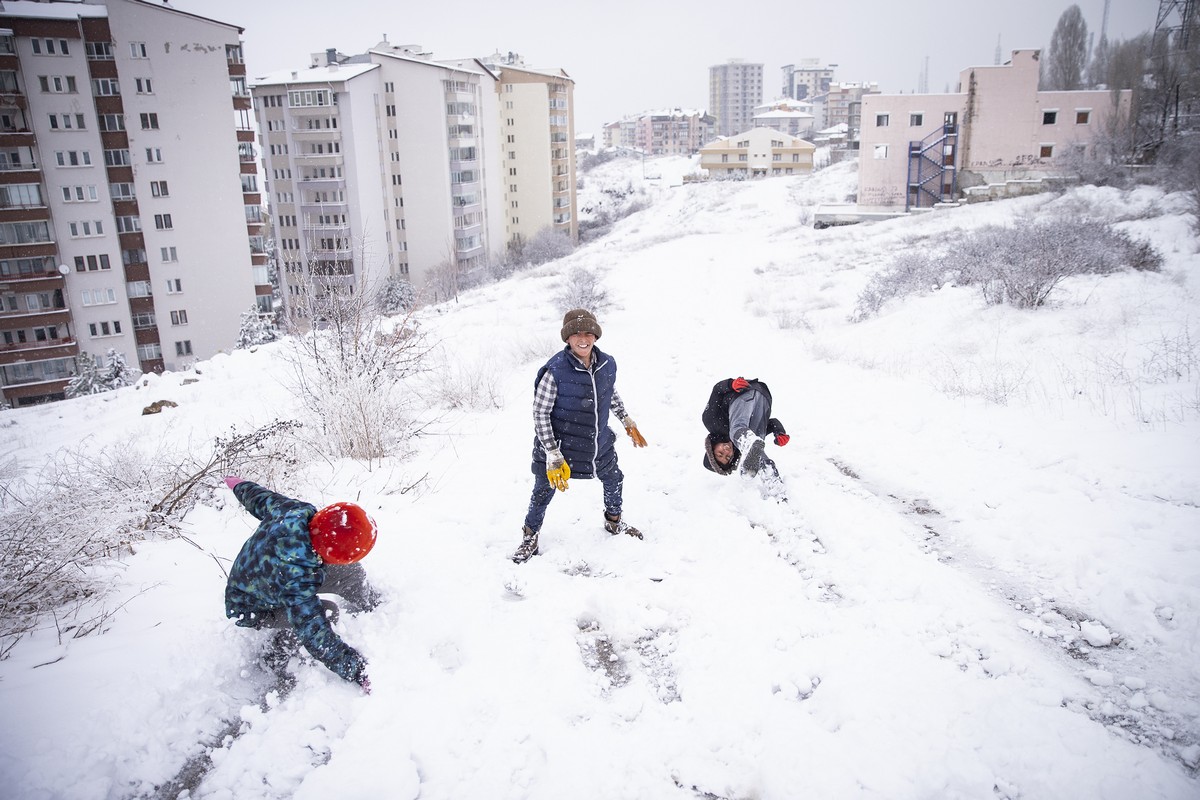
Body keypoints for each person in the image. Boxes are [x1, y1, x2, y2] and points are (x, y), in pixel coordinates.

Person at [512, 309, 648, 564]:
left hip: (597, 444)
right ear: (567, 339)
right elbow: (540, 413)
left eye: (588, 332)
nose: (582, 338)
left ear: (595, 335)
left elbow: (609, 393)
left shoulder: (607, 364)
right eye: (576, 334)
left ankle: (614, 522)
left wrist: (626, 419)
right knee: (542, 491)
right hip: (561, 447)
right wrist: (552, 452)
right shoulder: (555, 371)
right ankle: (530, 536)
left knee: (614, 479)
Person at [223, 477, 378, 692]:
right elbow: (315, 633)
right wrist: (357, 669)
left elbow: (258, 497)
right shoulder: (297, 580)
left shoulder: (296, 511)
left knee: (351, 573)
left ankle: (371, 605)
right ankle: (274, 659)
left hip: (277, 575)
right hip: (250, 605)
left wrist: (238, 485)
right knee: (326, 612)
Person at [702, 377, 790, 480]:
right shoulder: (746, 438)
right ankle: (769, 474)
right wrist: (779, 432)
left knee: (737, 430)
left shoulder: (711, 422)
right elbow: (772, 423)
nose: (726, 451)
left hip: (742, 393)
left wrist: (730, 384)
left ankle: (749, 447)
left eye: (720, 453)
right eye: (728, 457)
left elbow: (717, 390)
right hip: (764, 400)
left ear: (712, 449)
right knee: (757, 436)